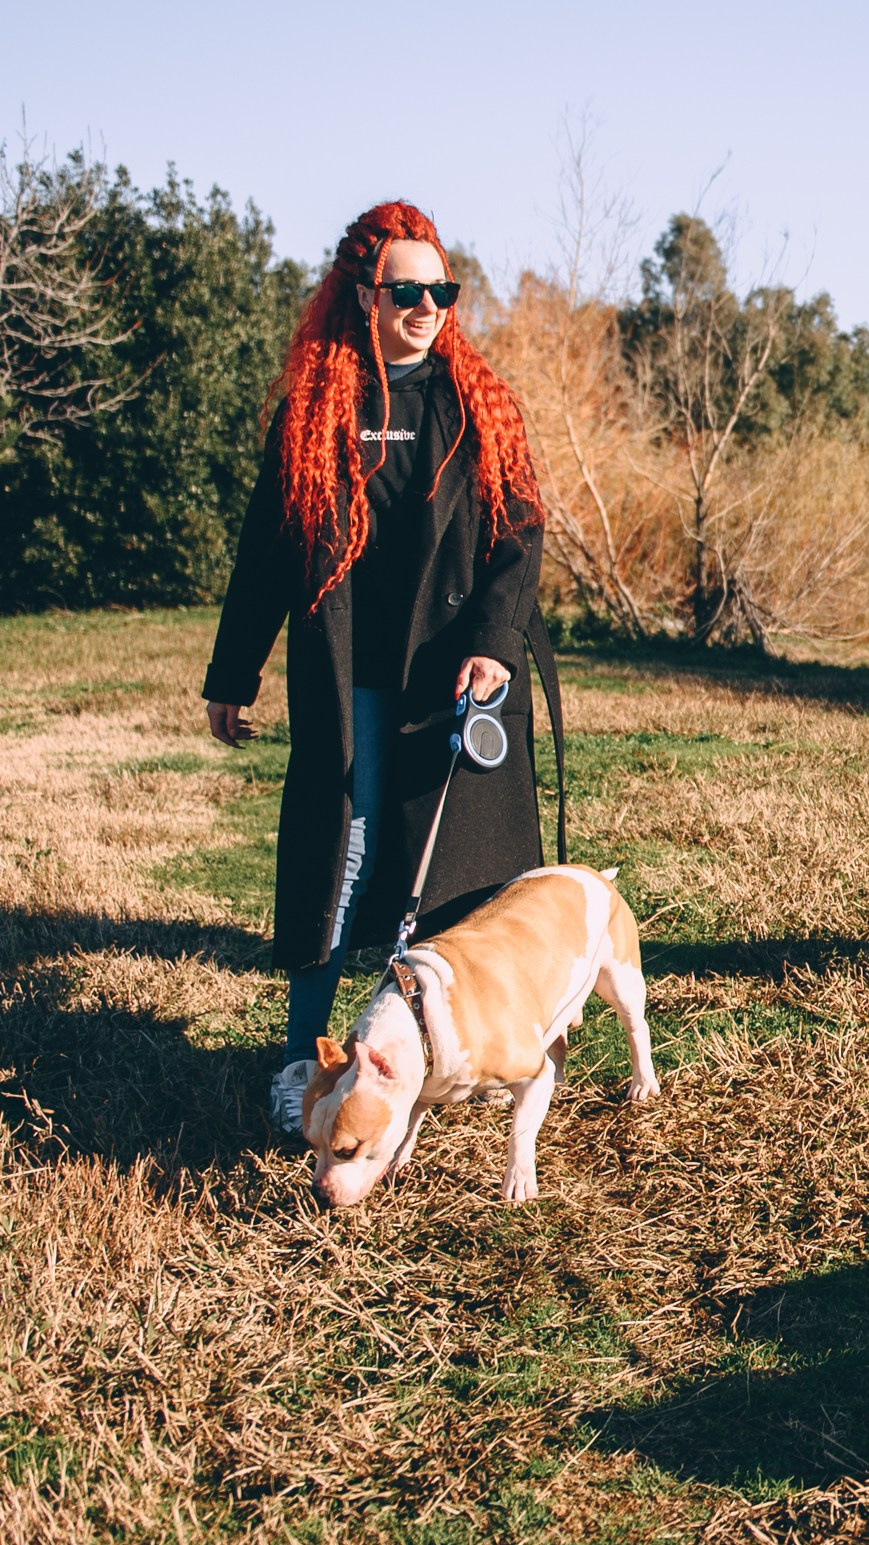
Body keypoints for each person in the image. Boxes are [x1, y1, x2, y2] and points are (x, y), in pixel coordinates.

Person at [202, 201, 551, 1134]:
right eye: (408, 289)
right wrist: (234, 670)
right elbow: (268, 553)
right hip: (348, 669)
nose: (429, 305)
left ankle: (438, 1054)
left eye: (443, 289)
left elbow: (521, 539)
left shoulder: (478, 406)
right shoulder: (315, 412)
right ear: (362, 293)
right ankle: (304, 1061)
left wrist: (493, 640)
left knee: (447, 867)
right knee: (340, 853)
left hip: (451, 669)